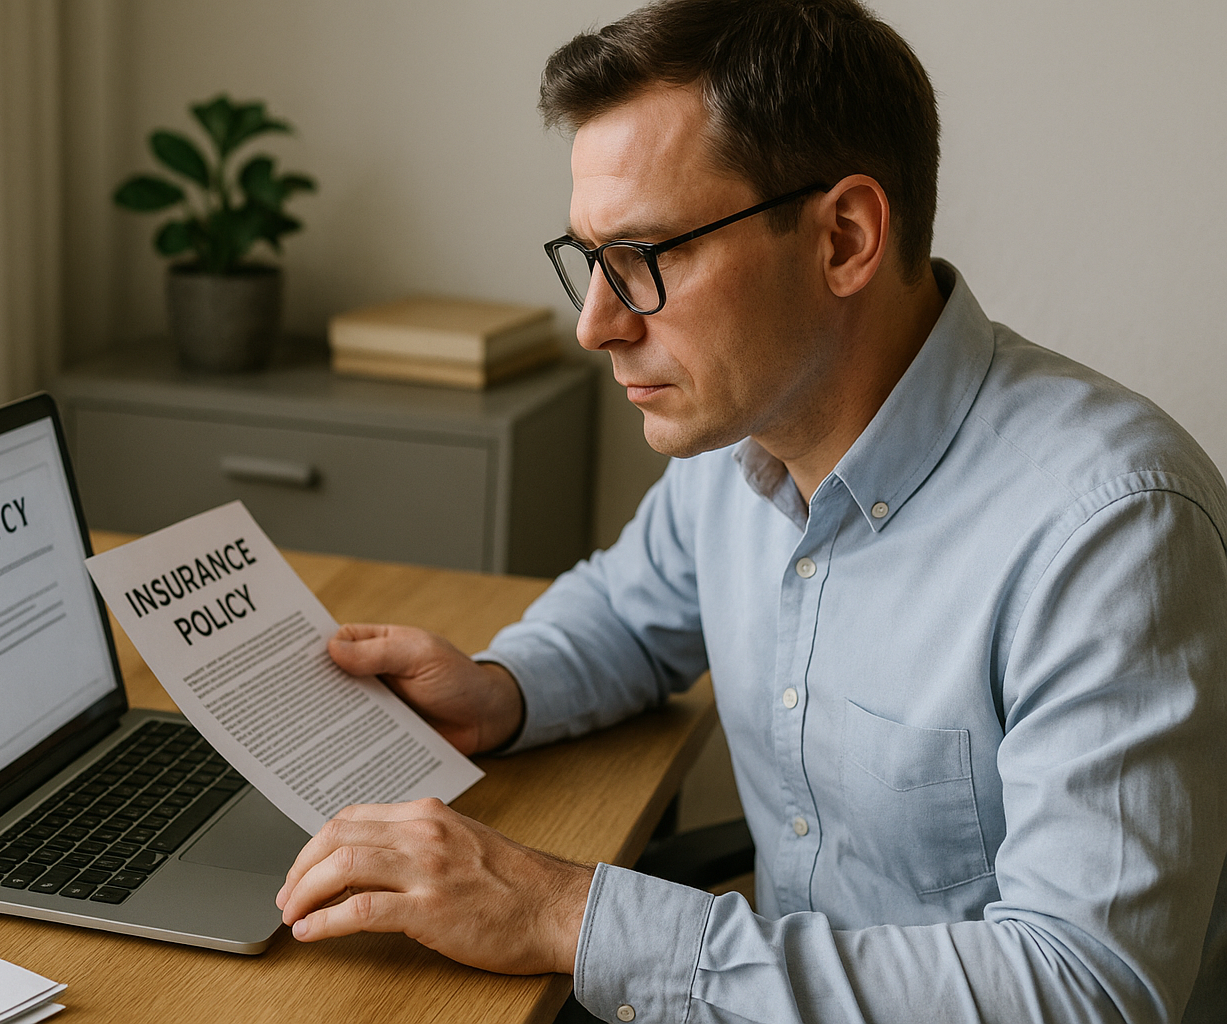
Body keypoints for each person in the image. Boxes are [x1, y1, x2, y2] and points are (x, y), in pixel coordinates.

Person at [274, 0, 1227, 1020]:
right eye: (589, 258)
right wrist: (503, 687)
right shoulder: (742, 434)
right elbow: (629, 614)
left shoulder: (1115, 530)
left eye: (645, 257)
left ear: (845, 237)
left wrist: (566, 912)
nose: (596, 323)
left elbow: (1090, 993)